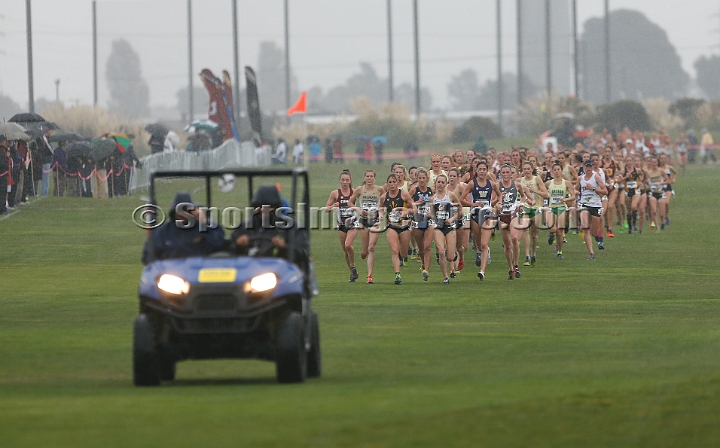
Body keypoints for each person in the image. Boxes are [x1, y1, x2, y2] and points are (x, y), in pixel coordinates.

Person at [142, 192, 226, 264]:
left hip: (200, 271)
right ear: (174, 211)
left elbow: (218, 245)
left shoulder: (204, 228)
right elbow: (147, 256)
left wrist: (204, 223)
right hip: (172, 274)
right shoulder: (163, 232)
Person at [460, 159, 500, 281]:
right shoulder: (472, 183)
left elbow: (500, 195)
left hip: (487, 214)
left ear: (487, 171)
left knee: (483, 243)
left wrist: (494, 203)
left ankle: (482, 271)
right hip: (475, 214)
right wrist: (473, 204)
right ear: (476, 170)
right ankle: (480, 252)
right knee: (477, 242)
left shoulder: (491, 184)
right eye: (480, 169)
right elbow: (462, 199)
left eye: (484, 169)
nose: (482, 171)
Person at [496, 164, 534, 280]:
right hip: (503, 215)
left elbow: (523, 197)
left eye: (509, 173)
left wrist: (521, 205)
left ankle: (516, 265)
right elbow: (494, 200)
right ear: (501, 174)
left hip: (513, 214)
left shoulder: (517, 185)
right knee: (507, 246)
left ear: (512, 174)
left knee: (514, 239)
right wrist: (498, 204)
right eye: (504, 173)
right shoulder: (497, 185)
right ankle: (511, 268)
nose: (507, 175)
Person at [346, 170, 383, 284]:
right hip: (363, 221)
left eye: (371, 176)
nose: (369, 178)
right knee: (366, 248)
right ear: (364, 178)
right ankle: (364, 251)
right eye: (367, 176)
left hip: (375, 220)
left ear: (375, 178)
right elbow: (350, 202)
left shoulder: (380, 189)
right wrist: (358, 210)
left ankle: (369, 276)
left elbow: (385, 201)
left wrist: (381, 214)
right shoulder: (359, 189)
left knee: (371, 247)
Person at [232, 186, 291, 258]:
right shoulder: (244, 227)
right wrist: (238, 244)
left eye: (269, 207)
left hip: (278, 265)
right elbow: (229, 252)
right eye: (261, 207)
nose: (264, 210)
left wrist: (284, 247)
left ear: (275, 208)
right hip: (248, 265)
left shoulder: (287, 228)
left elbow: (300, 253)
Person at [379, 174, 415, 285]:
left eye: (393, 182)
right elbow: (380, 208)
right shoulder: (384, 197)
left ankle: (403, 256)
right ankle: (397, 275)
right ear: (387, 184)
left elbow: (414, 208)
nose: (392, 184)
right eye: (389, 182)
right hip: (392, 226)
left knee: (403, 253)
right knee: (394, 250)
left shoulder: (404, 194)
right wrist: (381, 215)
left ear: (397, 183)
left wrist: (405, 212)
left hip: (404, 226)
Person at [324, 170, 358, 282]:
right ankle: (352, 272)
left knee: (348, 245)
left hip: (353, 223)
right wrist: (333, 206)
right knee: (345, 250)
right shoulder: (335, 193)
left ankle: (353, 266)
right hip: (341, 224)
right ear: (339, 180)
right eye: (343, 180)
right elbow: (326, 209)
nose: (345, 182)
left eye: (347, 180)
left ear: (350, 181)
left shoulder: (355, 192)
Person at [428, 174, 460, 284]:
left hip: (450, 227)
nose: (440, 184)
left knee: (450, 257)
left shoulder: (451, 196)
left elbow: (459, 211)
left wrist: (452, 219)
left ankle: (454, 254)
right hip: (438, 227)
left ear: (445, 184)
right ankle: (445, 277)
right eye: (438, 182)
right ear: (435, 183)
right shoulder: (433, 199)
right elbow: (432, 215)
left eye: (442, 182)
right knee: (441, 252)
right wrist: (429, 215)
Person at [519, 161, 549, 266]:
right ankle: (527, 255)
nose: (526, 171)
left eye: (528, 169)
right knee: (525, 230)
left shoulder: (537, 179)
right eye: (524, 169)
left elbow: (546, 194)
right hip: (526, 208)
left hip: (536, 208)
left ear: (532, 169)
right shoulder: (520, 180)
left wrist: (534, 191)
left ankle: (533, 253)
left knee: (534, 235)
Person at [577, 160, 607, 259]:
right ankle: (591, 253)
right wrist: (576, 195)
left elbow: (605, 191)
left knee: (594, 232)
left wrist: (593, 188)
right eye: (587, 167)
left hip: (596, 204)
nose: (588, 169)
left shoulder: (596, 177)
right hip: (584, 204)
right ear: (584, 168)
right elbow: (575, 189)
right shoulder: (580, 178)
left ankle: (596, 236)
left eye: (590, 167)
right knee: (585, 228)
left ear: (592, 168)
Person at [545, 163, 575, 260]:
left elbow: (573, 196)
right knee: (552, 228)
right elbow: (543, 193)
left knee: (559, 231)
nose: (557, 171)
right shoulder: (549, 183)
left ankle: (560, 252)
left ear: (561, 171)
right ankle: (550, 234)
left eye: (559, 169)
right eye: (555, 170)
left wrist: (565, 200)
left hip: (561, 207)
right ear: (552, 171)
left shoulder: (566, 183)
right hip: (551, 207)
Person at [409, 168, 434, 281]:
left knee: (427, 246)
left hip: (429, 221)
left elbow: (436, 203)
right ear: (417, 179)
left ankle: (427, 270)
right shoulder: (414, 190)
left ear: (427, 179)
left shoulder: (431, 190)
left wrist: (432, 212)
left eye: (424, 178)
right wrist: (415, 203)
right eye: (420, 178)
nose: (422, 180)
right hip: (417, 221)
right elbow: (406, 203)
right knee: (421, 248)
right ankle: (424, 263)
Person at [0, 136, 10, 214]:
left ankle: (2, 207)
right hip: (2, 174)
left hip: (3, 174)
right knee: (2, 191)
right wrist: (7, 158)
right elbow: (2, 163)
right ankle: (2, 208)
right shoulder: (1, 152)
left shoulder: (3, 150)